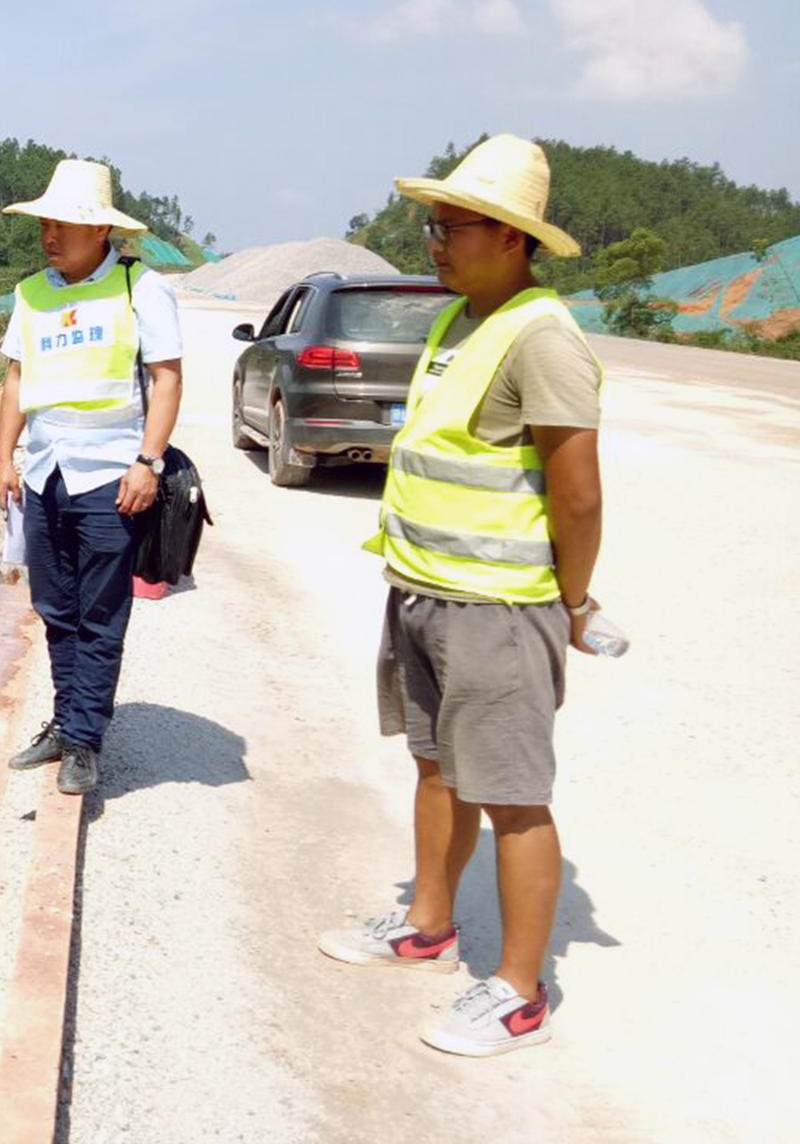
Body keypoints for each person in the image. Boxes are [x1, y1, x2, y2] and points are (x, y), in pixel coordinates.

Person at [318, 133, 604, 1058]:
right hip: (427, 593)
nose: (433, 243)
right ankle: (427, 928)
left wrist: (575, 599)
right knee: (435, 766)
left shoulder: (543, 336)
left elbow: (579, 491)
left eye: (452, 228)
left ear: (512, 237)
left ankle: (521, 992)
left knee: (513, 794)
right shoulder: (456, 323)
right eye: (431, 226)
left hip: (501, 607)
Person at [0, 159, 183, 796]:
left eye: (65, 223)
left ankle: (84, 740)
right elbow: (16, 379)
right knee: (55, 607)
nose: (51, 234)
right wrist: (3, 457)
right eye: (46, 222)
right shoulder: (31, 293)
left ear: (100, 229)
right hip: (45, 472)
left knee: (100, 612)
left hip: (110, 475)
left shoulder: (140, 288)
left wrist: (148, 462)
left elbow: (166, 377)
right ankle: (66, 721)